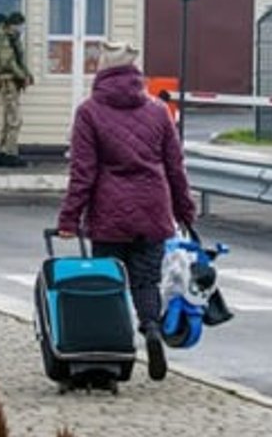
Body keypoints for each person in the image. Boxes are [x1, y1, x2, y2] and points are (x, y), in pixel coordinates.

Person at [56, 40, 198, 382]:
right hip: (153, 210)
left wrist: (69, 219)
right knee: (146, 281)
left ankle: (111, 351)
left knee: (109, 284)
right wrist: (184, 210)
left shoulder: (89, 112)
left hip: (109, 215)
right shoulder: (158, 111)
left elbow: (83, 172)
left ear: (103, 70)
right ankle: (151, 328)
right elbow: (175, 167)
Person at [0, 11, 33, 167]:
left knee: (9, 119)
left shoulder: (12, 38)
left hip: (11, 82)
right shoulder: (5, 39)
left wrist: (27, 74)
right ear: (13, 25)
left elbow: (18, 61)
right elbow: (8, 62)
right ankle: (10, 154)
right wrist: (23, 76)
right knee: (15, 120)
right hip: (8, 82)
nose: (21, 28)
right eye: (20, 25)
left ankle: (2, 152)